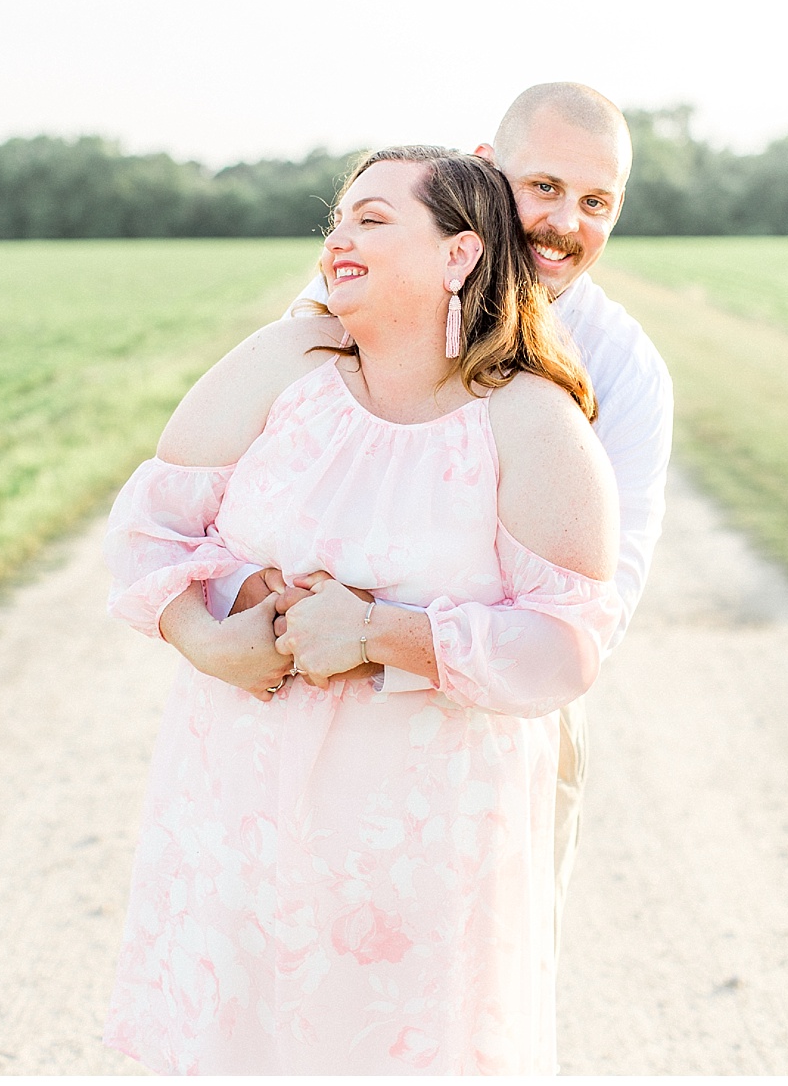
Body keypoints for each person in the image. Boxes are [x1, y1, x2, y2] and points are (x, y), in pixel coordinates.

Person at [103, 147, 621, 1073]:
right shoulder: (284, 364)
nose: (338, 236)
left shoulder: (529, 422)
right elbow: (151, 527)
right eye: (337, 218)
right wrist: (209, 637)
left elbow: (568, 642)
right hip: (238, 812)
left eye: (373, 219)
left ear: (459, 255)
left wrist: (380, 634)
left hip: (418, 852)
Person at [208, 83, 672, 951]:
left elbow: (589, 620)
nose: (565, 222)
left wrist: (380, 634)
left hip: (491, 731)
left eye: (597, 201)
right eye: (543, 187)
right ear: (487, 172)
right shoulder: (349, 302)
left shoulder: (625, 371)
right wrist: (261, 607)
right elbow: (251, 479)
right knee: (296, 961)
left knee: (476, 979)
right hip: (311, 699)